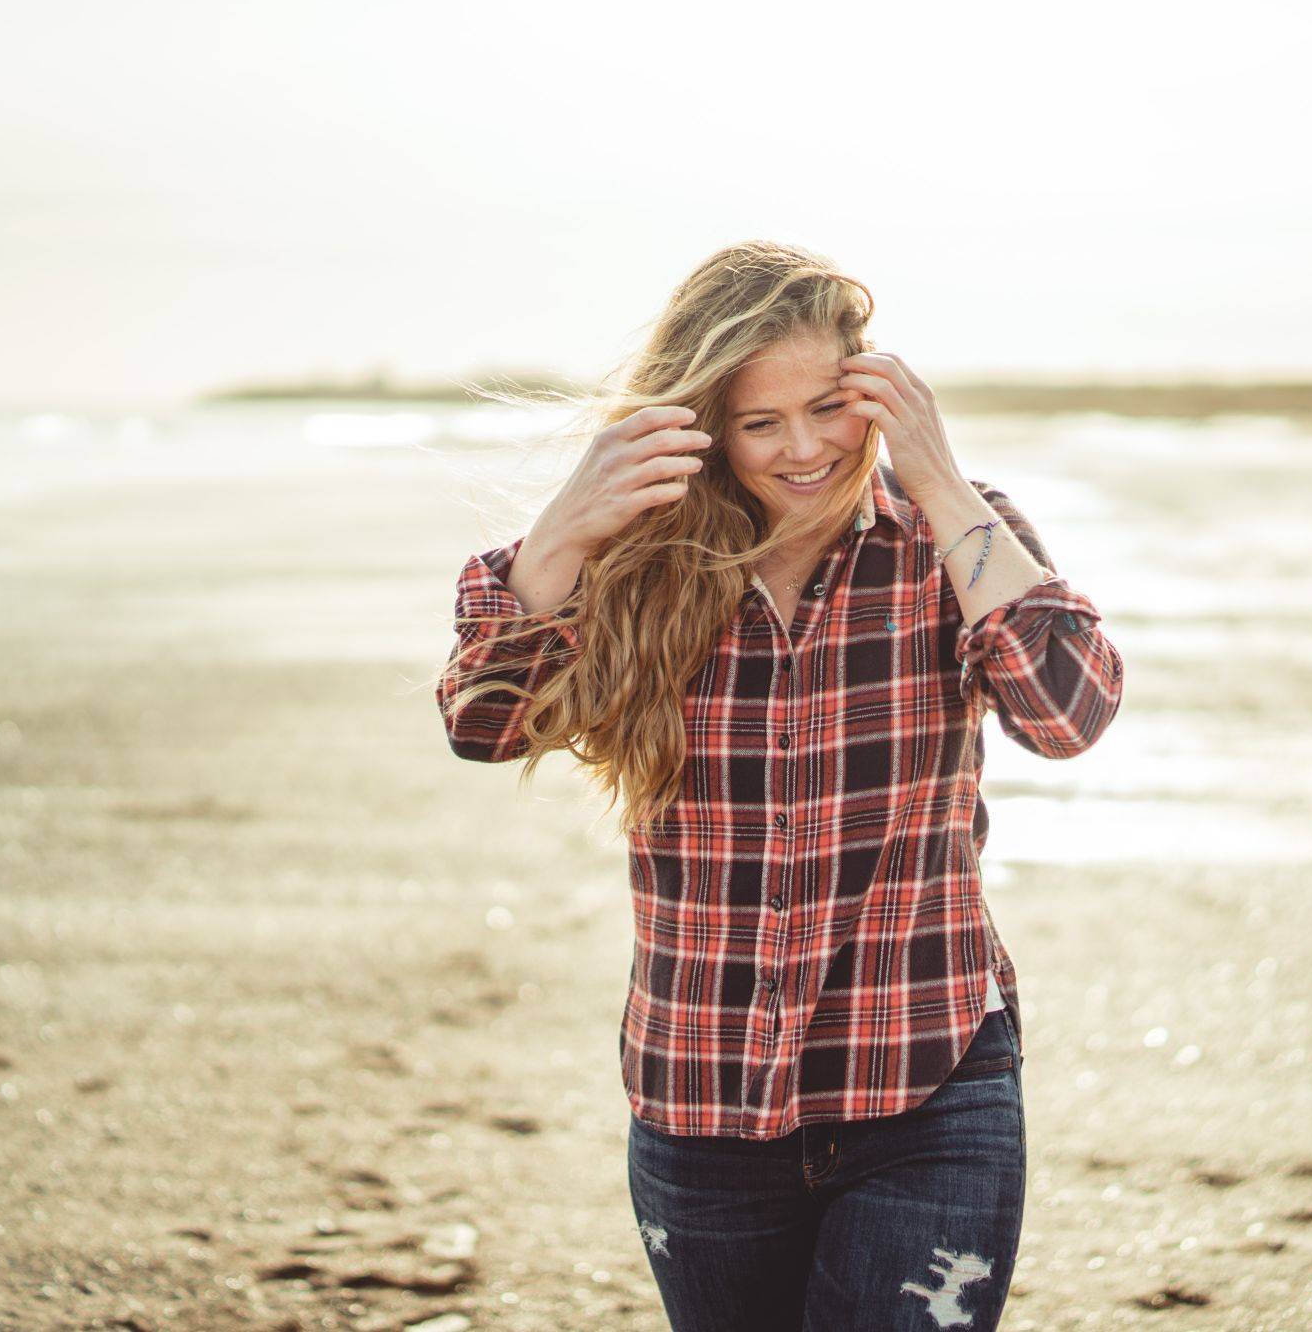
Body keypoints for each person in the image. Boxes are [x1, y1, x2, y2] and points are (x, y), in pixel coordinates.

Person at [434, 240, 1125, 1330]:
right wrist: (567, 526)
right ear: (704, 428)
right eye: (760, 423)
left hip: (927, 1080)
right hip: (700, 1100)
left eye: (828, 408)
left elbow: (1067, 712)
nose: (803, 449)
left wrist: (937, 478)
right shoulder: (630, 561)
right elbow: (483, 722)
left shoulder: (950, 540)